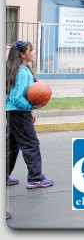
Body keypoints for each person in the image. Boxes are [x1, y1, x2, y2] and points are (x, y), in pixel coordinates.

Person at [6, 40, 54, 189]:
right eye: (31, 50)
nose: (33, 53)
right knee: (31, 144)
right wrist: (30, 107)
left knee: (12, 145)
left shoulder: (22, 70)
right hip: (19, 114)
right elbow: (16, 98)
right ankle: (35, 178)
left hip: (14, 113)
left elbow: (23, 95)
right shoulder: (21, 73)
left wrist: (31, 110)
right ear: (22, 54)